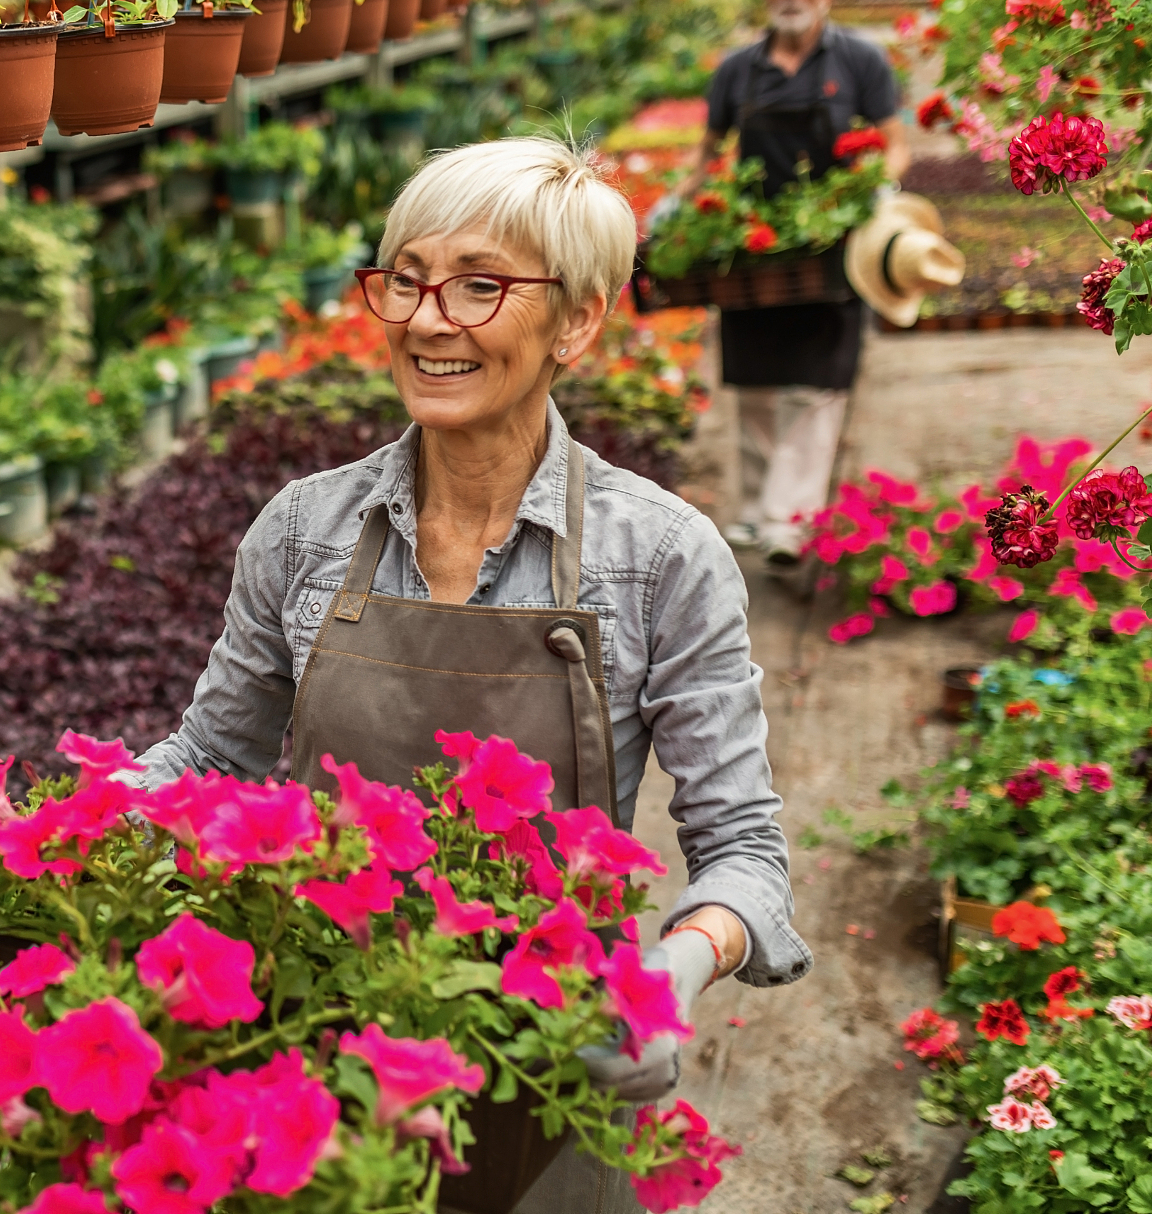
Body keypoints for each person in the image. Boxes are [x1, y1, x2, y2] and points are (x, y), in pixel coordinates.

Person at [135, 138, 810, 1214]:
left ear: (576, 323)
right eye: (404, 277)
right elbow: (207, 757)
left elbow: (742, 852)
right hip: (319, 1042)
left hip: (553, 1054)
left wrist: (675, 971)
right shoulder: (304, 532)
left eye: (479, 286)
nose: (425, 318)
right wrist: (71, 821)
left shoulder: (658, 558)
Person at [661, 0, 911, 564]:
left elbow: (894, 140)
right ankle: (754, 510)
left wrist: (879, 190)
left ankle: (788, 520)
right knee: (757, 381)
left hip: (833, 245)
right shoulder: (737, 71)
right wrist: (672, 206)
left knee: (818, 384)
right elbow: (706, 155)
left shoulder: (861, 61)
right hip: (756, 243)